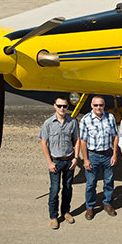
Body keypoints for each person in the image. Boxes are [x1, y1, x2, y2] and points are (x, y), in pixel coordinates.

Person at [39, 96, 80, 230]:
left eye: (65, 106)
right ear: (54, 106)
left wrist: (75, 158)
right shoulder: (48, 123)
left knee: (68, 188)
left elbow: (77, 139)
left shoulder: (72, 122)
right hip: (55, 161)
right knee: (55, 189)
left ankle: (66, 212)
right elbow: (44, 143)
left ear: (68, 107)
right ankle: (53, 216)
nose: (62, 108)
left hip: (69, 161)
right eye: (59, 106)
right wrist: (49, 162)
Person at [80, 96, 119, 220]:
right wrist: (85, 159)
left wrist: (114, 154)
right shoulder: (86, 119)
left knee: (109, 180)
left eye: (101, 105)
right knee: (91, 183)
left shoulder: (110, 117)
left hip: (107, 154)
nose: (98, 108)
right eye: (96, 105)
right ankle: (90, 206)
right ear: (91, 106)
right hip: (93, 155)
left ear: (104, 106)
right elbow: (83, 141)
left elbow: (115, 136)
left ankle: (107, 203)